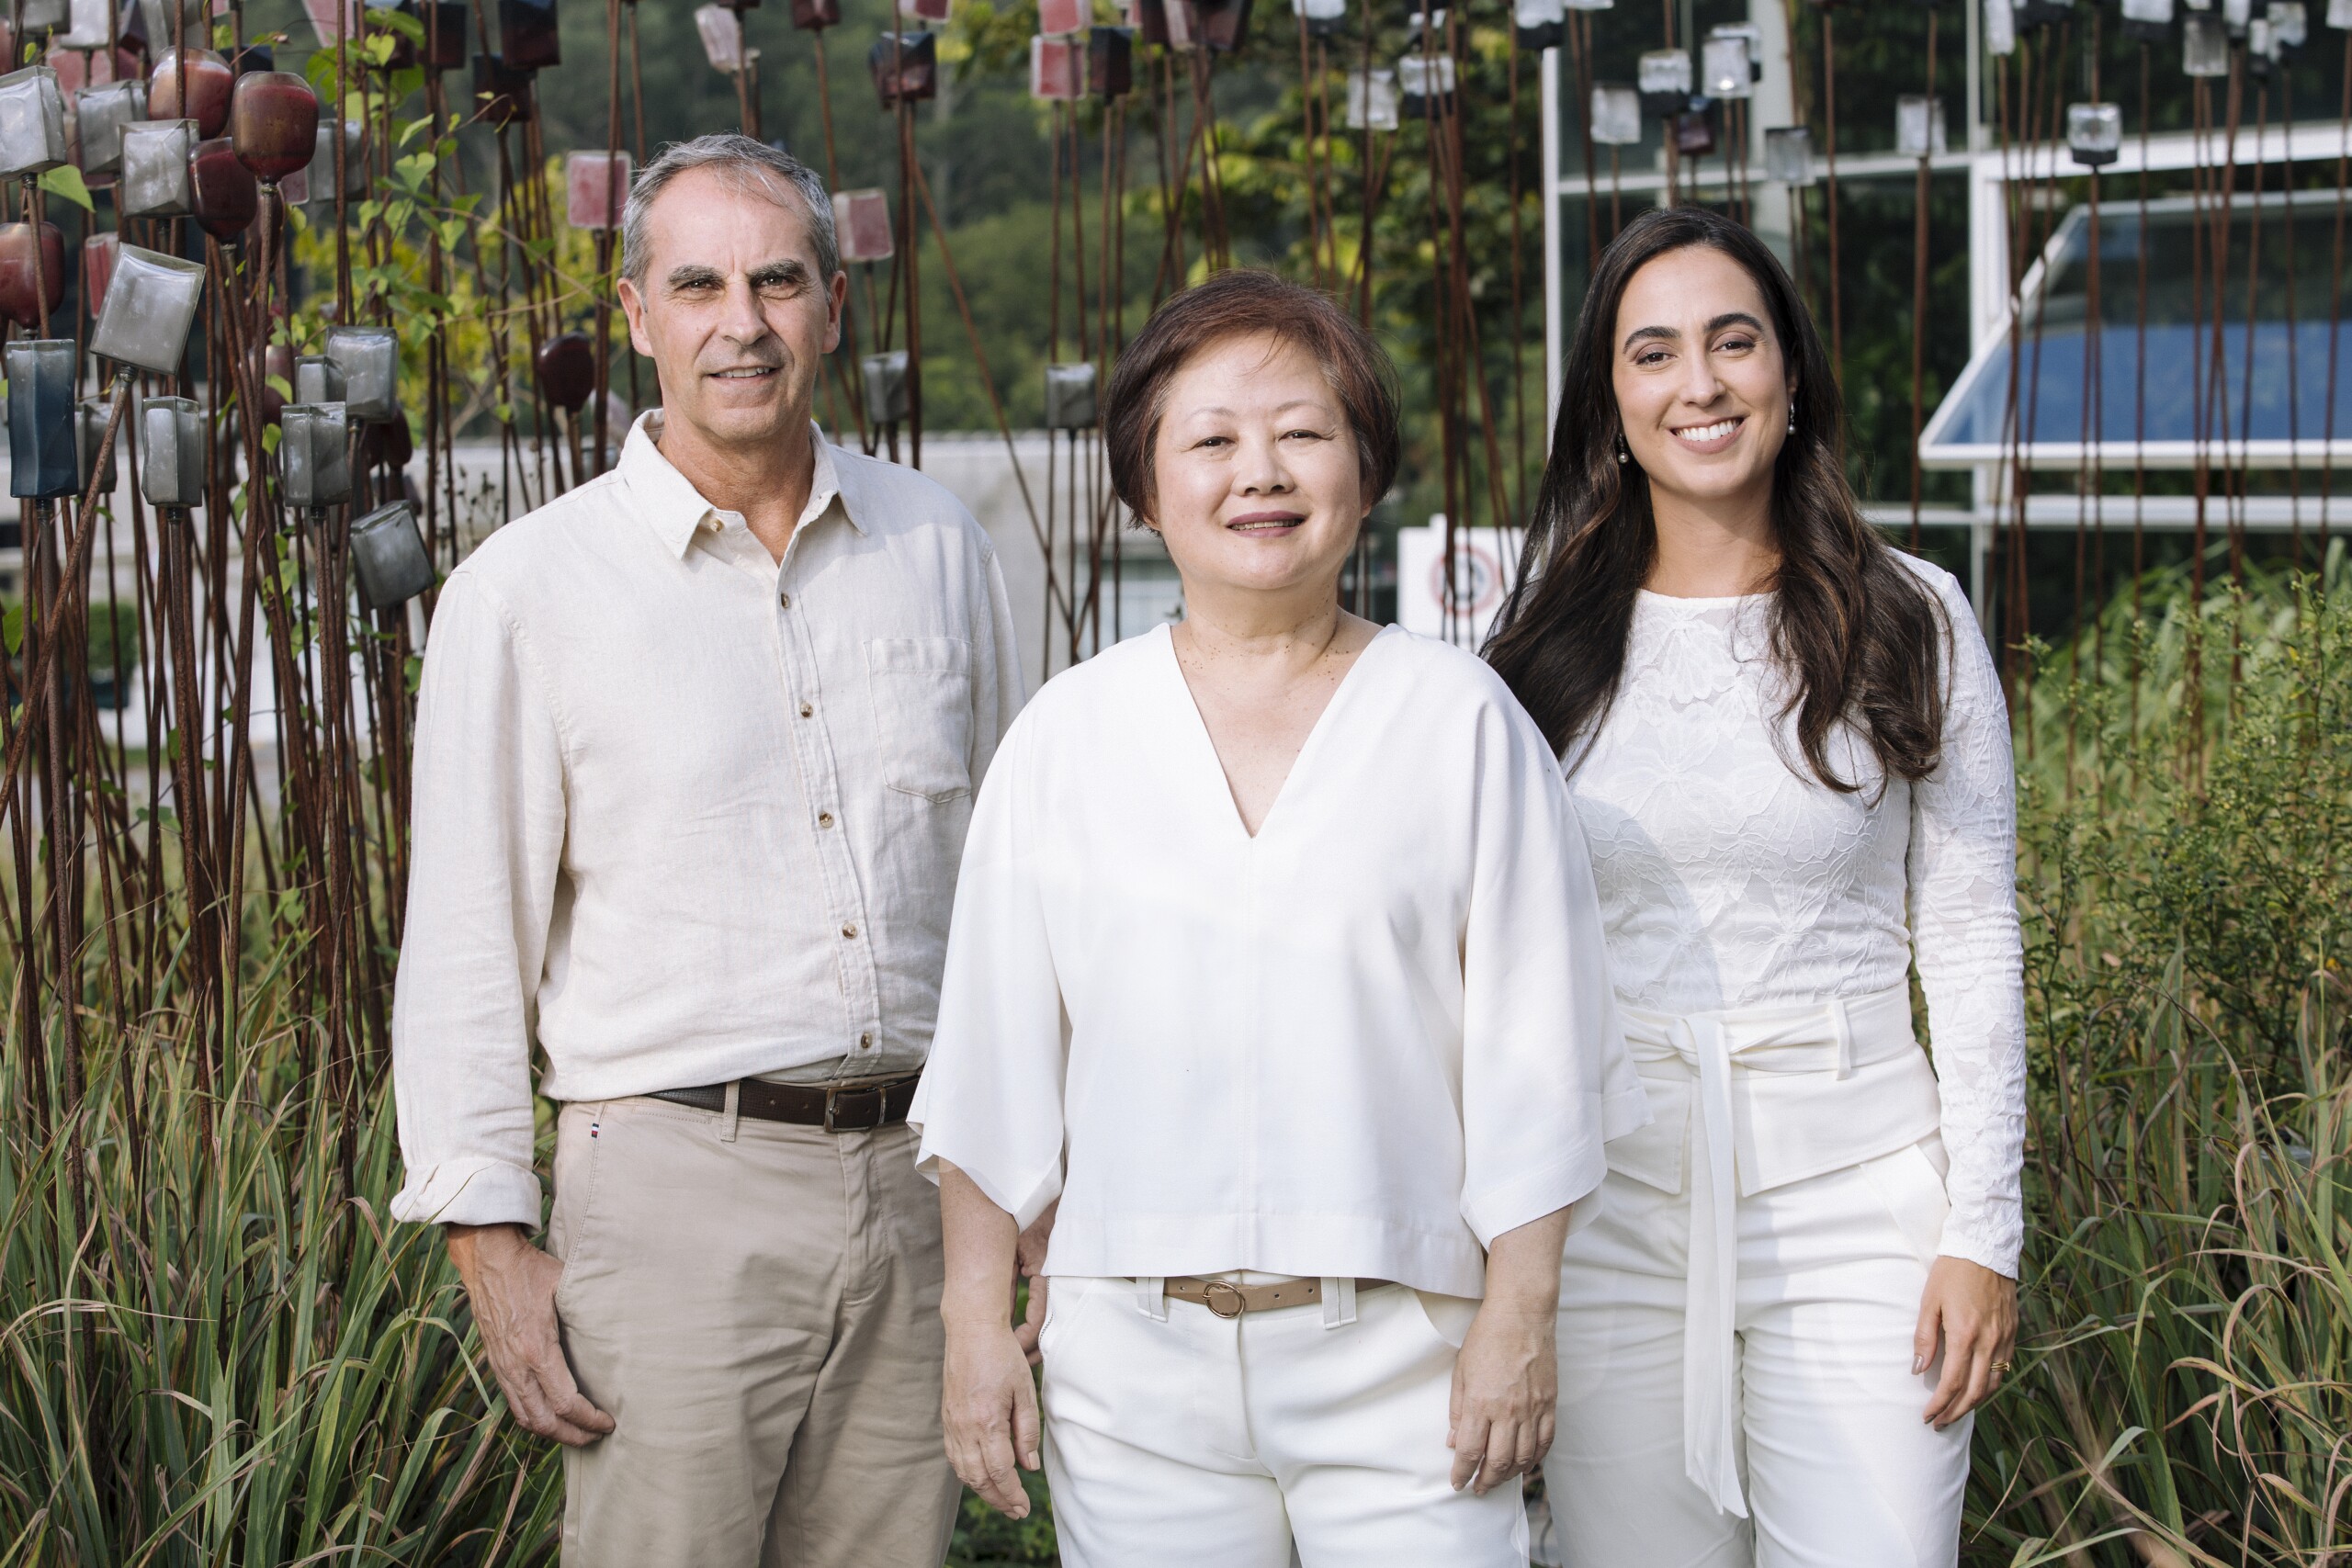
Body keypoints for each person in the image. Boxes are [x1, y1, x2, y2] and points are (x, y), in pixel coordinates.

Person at [910, 270, 1645, 1568]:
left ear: (1365, 472)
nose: (1262, 471)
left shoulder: (1461, 722)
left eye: (1303, 433)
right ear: (1144, 493)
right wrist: (977, 1325)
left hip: (1408, 1363)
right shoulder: (1068, 736)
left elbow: (1544, 1059)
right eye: (1211, 441)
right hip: (1131, 1370)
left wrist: (1520, 1320)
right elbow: (992, 1061)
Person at [387, 134, 1023, 1567]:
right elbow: (467, 934)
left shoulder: (938, 545)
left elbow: (1015, 886)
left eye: (778, 280)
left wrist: (1030, 1176)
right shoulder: (529, 592)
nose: (742, 321)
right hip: (673, 1190)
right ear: (636, 314)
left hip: (923, 1182)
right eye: (699, 284)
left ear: (834, 304)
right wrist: (489, 1236)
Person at [1484, 206, 2027, 1565]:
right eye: (1653, 353)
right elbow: (1485, 961)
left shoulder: (1913, 614)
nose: (1700, 384)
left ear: (1790, 374)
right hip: (1608, 1212)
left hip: (1861, 1200)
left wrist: (1987, 1233)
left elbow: (1968, 933)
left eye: (1735, 342)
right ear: (1610, 403)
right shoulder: (1533, 650)